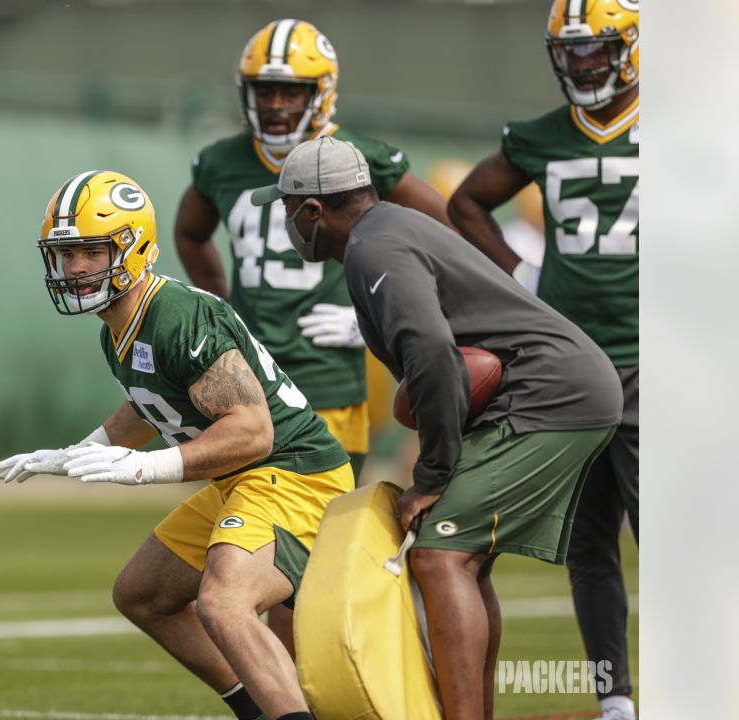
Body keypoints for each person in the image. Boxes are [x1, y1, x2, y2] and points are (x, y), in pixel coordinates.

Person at [253, 136, 623, 720]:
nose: (288, 223)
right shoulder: (387, 229)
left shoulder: (373, 248)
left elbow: (432, 353)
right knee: (464, 558)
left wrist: (432, 474)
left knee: (440, 554)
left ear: (313, 211)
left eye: (287, 208)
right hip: (552, 388)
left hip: (548, 395)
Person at [0, 170, 353, 720]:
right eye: (66, 255)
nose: (76, 268)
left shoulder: (178, 314)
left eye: (91, 251)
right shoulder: (118, 323)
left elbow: (254, 429)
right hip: (246, 477)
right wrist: (75, 453)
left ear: (133, 246)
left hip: (293, 472)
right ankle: (258, 709)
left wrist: (142, 469)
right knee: (142, 593)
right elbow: (150, 402)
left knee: (224, 603)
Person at [447, 2, 639, 717]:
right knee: (590, 537)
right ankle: (613, 698)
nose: (583, 64)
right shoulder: (540, 136)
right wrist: (520, 275)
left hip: (659, 361)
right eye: (572, 51)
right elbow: (467, 202)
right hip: (575, 364)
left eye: (597, 50)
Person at [175, 18, 451, 487]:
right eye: (265, 92)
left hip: (327, 373)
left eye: (291, 92)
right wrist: (222, 303)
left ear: (321, 92)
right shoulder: (222, 162)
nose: (276, 106)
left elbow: (443, 232)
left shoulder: (358, 154)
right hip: (249, 373)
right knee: (248, 524)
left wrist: (381, 312)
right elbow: (190, 232)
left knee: (318, 531)